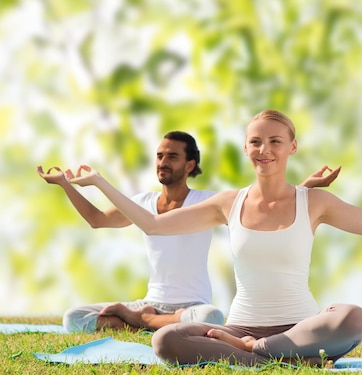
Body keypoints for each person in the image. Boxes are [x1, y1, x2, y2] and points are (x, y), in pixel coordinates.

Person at [67, 110, 362, 366]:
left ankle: (258, 352)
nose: (264, 149)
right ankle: (277, 357)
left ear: (291, 148)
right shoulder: (228, 203)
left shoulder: (314, 202)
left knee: (352, 316)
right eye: (255, 141)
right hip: (240, 325)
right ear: (247, 149)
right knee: (165, 340)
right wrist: (100, 182)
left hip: (299, 326)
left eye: (274, 141)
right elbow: (154, 225)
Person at [38, 130, 340, 333]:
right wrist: (65, 184)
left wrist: (306, 189)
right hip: (151, 302)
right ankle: (148, 319)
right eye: (159, 156)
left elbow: (262, 205)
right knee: (73, 319)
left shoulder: (206, 201)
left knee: (211, 319)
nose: (162, 162)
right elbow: (96, 219)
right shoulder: (143, 204)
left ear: (190, 164)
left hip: (191, 308)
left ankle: (140, 322)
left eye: (172, 156)